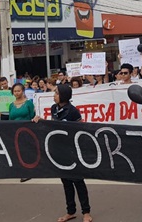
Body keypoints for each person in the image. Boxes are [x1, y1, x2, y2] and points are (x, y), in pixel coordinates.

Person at [40, 84, 93, 222]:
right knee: (66, 182)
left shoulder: (73, 111)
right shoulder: (54, 109)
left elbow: (81, 128)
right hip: (59, 151)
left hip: (72, 151)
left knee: (78, 181)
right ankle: (70, 211)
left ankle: (86, 212)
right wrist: (41, 121)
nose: (54, 95)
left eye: (56, 93)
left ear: (63, 95)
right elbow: (53, 125)